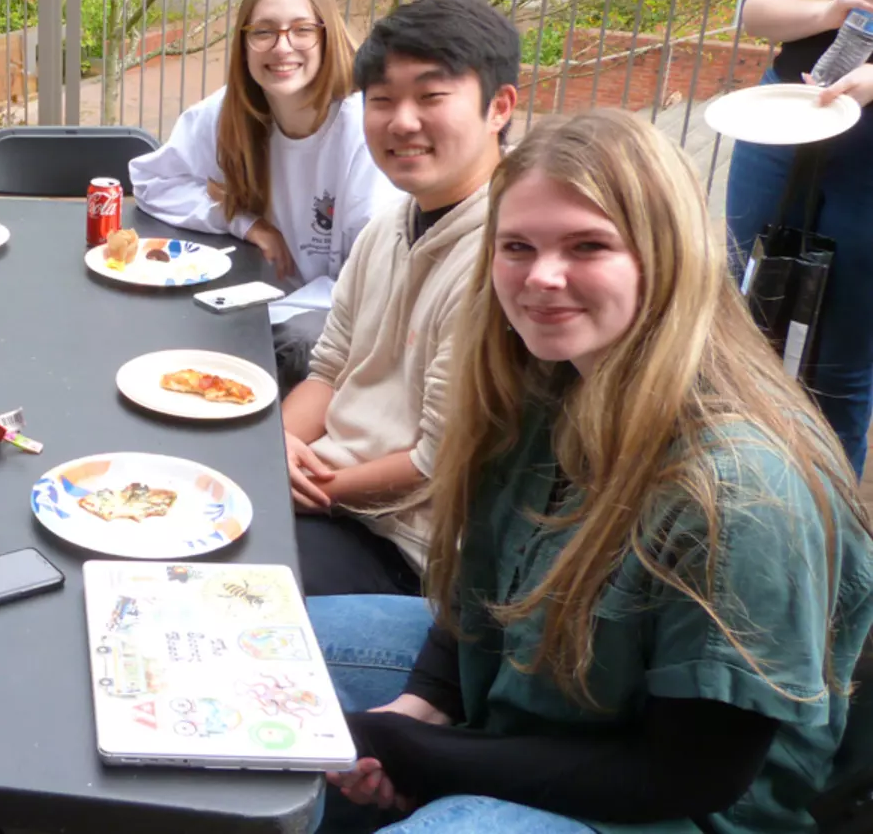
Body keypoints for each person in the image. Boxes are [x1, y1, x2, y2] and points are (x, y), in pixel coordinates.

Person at [306, 109, 873, 834]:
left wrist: (426, 755)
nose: (542, 277)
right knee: (264, 654)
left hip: (668, 806)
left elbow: (688, 773)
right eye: (517, 245)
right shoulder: (537, 379)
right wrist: (421, 705)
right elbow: (480, 588)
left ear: (662, 255)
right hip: (526, 696)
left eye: (588, 245)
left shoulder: (742, 489)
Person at [284, 0, 519, 597]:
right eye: (382, 101)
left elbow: (436, 463)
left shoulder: (511, 253)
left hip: (411, 550)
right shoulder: (390, 225)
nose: (402, 122)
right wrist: (278, 446)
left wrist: (302, 488)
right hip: (337, 500)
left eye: (432, 97)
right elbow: (330, 367)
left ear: (500, 107)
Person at [130, 0, 401, 391]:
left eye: (301, 30)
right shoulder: (230, 113)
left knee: (297, 340)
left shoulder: (360, 127)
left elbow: (367, 283)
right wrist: (244, 222)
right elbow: (155, 182)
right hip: (255, 303)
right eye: (264, 32)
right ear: (244, 43)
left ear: (327, 35)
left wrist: (258, 318)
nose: (282, 47)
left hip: (325, 323)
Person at [726, 0, 873, 477]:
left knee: (838, 365)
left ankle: (827, 544)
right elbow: (760, 9)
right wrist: (833, 8)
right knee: (741, 325)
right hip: (783, 122)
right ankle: (728, 506)